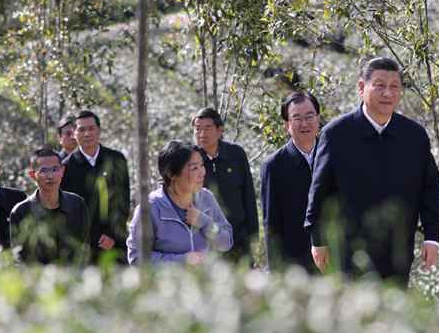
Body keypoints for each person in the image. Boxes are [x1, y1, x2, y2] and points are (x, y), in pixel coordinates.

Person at [305, 56, 439, 286]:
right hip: (348, 253)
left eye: (394, 87)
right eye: (379, 85)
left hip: (397, 252)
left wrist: (432, 236)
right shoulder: (336, 134)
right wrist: (317, 240)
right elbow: (319, 190)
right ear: (362, 87)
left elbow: (430, 189)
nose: (388, 93)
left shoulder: (414, 136)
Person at [127, 140, 233, 264]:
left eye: (202, 165)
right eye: (194, 168)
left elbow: (226, 243)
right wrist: (184, 261)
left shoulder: (206, 198)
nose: (202, 172)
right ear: (171, 174)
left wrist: (205, 222)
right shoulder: (150, 209)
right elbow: (137, 258)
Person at [260, 91, 321, 273]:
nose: (304, 123)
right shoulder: (274, 166)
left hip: (335, 260)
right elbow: (272, 226)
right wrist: (277, 272)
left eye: (309, 116)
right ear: (287, 124)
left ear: (318, 118)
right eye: (297, 118)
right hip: (296, 267)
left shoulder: (333, 155)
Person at [61, 110, 131, 264]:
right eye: (81, 129)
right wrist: (93, 238)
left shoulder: (116, 159)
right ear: (74, 133)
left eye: (91, 128)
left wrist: (112, 234)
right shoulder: (66, 167)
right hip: (83, 246)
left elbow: (124, 200)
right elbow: (69, 210)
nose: (87, 134)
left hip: (115, 243)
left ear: (99, 131)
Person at [192, 107, 258, 262]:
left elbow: (248, 194)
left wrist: (253, 234)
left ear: (220, 130)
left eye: (207, 128)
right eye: (197, 129)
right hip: (205, 240)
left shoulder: (236, 154)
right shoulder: (190, 158)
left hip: (239, 236)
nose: (202, 134)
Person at [10, 147, 90, 264]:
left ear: (62, 171)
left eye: (55, 169)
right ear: (32, 174)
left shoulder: (77, 204)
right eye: (43, 171)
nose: (50, 176)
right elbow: (19, 258)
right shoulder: (21, 211)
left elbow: (84, 248)